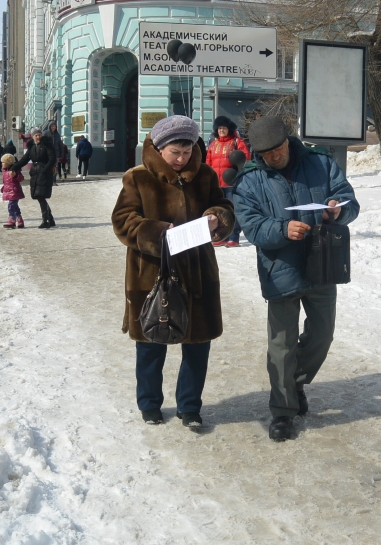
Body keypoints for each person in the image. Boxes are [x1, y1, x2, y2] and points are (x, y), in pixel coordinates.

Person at [232, 115, 360, 442]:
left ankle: (295, 383)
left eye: (278, 149)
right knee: (281, 346)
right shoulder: (250, 180)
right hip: (280, 269)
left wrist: (338, 209)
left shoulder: (320, 163)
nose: (274, 157)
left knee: (322, 336)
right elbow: (252, 226)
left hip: (322, 263)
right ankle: (282, 411)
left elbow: (348, 200)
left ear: (288, 140)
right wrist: (282, 229)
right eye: (266, 154)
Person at [111, 115, 235, 429]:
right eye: (174, 153)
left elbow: (224, 206)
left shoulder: (205, 175)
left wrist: (216, 218)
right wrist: (154, 232)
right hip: (150, 273)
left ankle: (190, 407)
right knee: (151, 342)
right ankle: (150, 404)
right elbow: (123, 220)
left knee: (197, 342)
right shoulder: (137, 178)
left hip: (198, 273)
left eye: (187, 152)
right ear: (160, 148)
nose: (181, 159)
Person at [206, 116, 252, 248]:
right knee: (218, 210)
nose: (221, 130)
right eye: (219, 128)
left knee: (233, 209)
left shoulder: (236, 142)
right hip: (216, 184)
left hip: (232, 182)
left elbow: (245, 158)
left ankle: (233, 236)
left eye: (224, 128)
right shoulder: (213, 144)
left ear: (228, 129)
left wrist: (239, 174)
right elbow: (208, 163)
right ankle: (221, 235)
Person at [12, 127, 58, 228]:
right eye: (36, 135)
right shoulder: (32, 147)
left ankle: (45, 220)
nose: (38, 137)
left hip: (44, 173)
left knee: (41, 196)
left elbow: (52, 158)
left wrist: (45, 170)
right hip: (35, 173)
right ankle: (50, 219)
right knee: (38, 196)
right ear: (32, 137)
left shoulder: (47, 145)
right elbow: (24, 160)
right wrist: (14, 167)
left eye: (39, 135)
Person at [0, 153, 26, 229]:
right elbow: (6, 181)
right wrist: (4, 188)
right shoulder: (4, 170)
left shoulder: (15, 170)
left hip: (15, 191)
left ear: (8, 163)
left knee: (11, 206)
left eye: (3, 162)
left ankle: (12, 221)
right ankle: (20, 220)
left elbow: (21, 178)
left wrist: (16, 175)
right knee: (15, 206)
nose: (2, 164)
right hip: (9, 190)